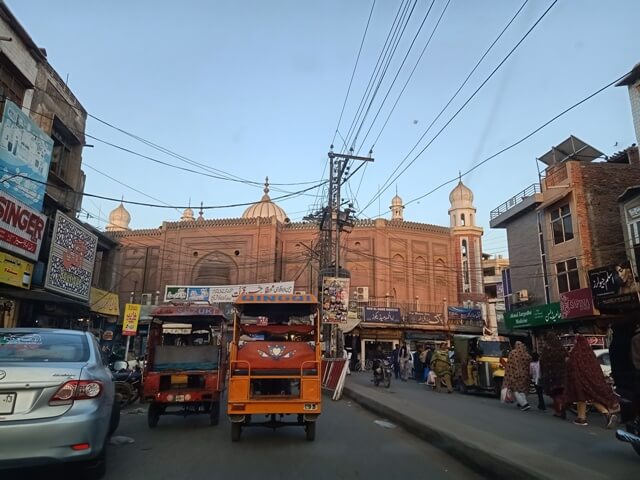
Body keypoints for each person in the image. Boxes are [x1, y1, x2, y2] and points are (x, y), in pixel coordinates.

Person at [564, 335, 619, 428]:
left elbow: (571, 366)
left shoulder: (575, 353)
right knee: (589, 398)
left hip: (580, 380)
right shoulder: (590, 354)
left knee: (583, 397)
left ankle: (585, 418)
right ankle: (583, 417)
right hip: (592, 380)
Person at [540, 332, 568, 418]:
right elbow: (567, 359)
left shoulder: (547, 349)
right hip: (563, 375)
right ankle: (563, 405)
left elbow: (542, 361)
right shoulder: (561, 348)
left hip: (551, 375)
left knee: (555, 394)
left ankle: (558, 411)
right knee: (562, 392)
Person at [503, 341, 532, 411]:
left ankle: (524, 404)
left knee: (516, 390)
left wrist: (508, 374)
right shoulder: (526, 354)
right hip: (525, 375)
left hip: (515, 374)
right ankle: (522, 402)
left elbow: (509, 364)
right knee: (522, 389)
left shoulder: (512, 353)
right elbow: (530, 363)